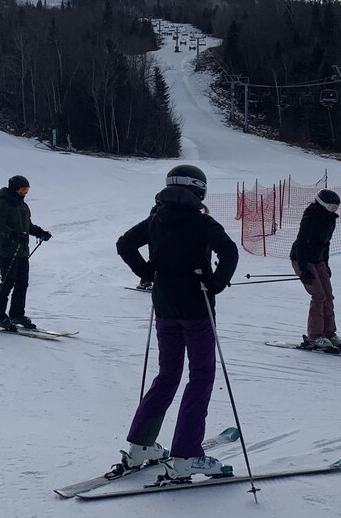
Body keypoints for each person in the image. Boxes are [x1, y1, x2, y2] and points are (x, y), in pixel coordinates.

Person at [115, 164, 239, 481]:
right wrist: (215, 283)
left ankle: (141, 445)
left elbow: (124, 244)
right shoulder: (201, 222)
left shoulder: (155, 219)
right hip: (197, 309)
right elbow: (229, 252)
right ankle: (186, 455)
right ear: (199, 190)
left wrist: (149, 273)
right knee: (201, 377)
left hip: (165, 308)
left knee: (168, 374)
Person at [0, 175, 52, 331]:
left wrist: (40, 232)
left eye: (26, 190)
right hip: (6, 251)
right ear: (13, 188)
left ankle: (16, 314)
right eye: (22, 190)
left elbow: (28, 226)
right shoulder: (2, 204)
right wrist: (14, 235)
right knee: (7, 283)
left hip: (21, 251)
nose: (24, 193)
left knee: (22, 283)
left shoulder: (23, 206)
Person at [289, 189, 341, 351]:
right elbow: (301, 244)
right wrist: (303, 270)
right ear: (322, 204)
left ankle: (329, 333)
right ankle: (315, 336)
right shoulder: (311, 219)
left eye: (336, 207)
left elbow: (325, 244)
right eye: (331, 207)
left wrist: (325, 264)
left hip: (318, 259)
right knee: (319, 296)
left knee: (328, 296)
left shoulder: (330, 220)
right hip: (303, 259)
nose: (334, 210)